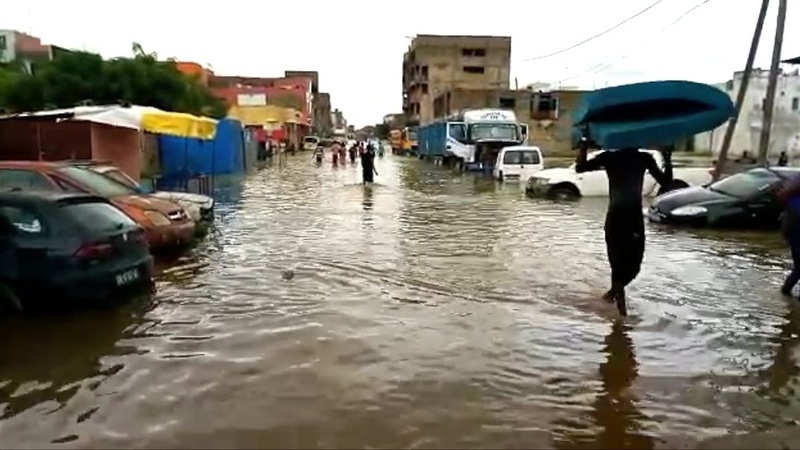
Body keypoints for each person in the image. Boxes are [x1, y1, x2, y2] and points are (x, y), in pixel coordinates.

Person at [574, 137, 672, 316]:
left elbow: (580, 167)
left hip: (621, 217)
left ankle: (614, 297)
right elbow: (666, 181)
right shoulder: (637, 158)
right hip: (629, 218)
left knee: (621, 263)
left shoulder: (618, 157)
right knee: (629, 263)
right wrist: (667, 157)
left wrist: (583, 148)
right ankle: (621, 316)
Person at [778, 173, 800, 296]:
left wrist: (786, 237)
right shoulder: (795, 203)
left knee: (798, 269)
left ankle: (785, 291)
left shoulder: (792, 202)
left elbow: (787, 224)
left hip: (794, 241)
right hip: (796, 240)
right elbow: (789, 223)